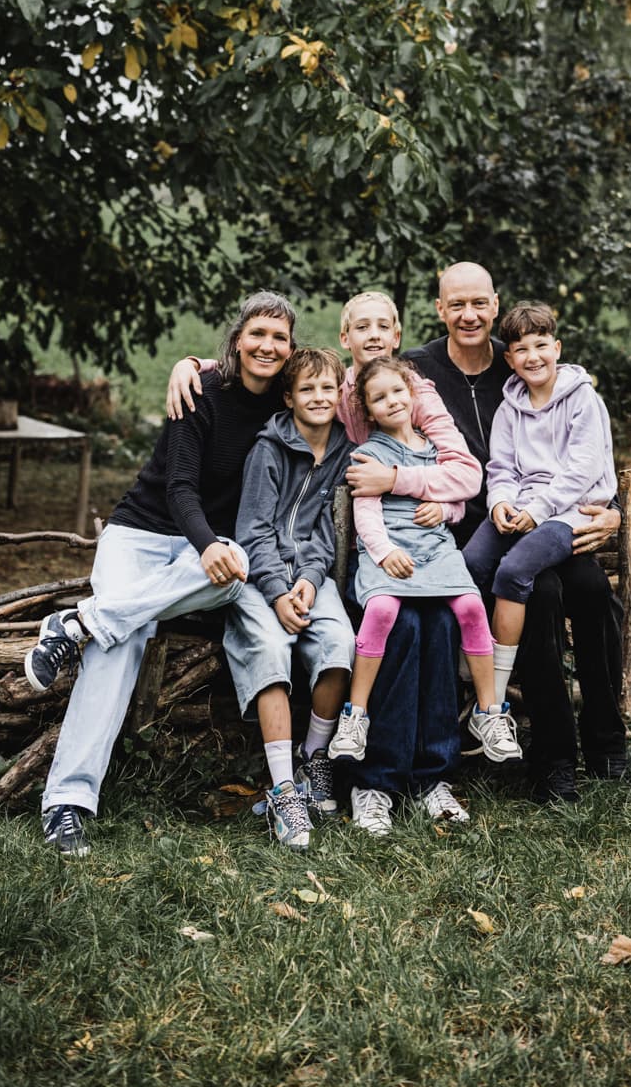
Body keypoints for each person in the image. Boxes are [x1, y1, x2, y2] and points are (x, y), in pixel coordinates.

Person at [166, 289, 488, 836]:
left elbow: (466, 472)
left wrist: (407, 485)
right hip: (364, 558)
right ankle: (368, 781)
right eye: (362, 326)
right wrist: (192, 363)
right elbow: (263, 374)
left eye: (385, 326)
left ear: (398, 336)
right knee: (395, 627)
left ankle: (431, 776)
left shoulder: (415, 391)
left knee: (438, 625)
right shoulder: (330, 392)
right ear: (345, 338)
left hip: (417, 554)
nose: (374, 335)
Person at [25, 292, 296, 856]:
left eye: (280, 337)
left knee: (234, 563)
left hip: (202, 553)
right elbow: (178, 489)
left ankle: (77, 623)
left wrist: (207, 551)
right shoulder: (200, 391)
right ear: (237, 339)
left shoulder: (285, 404)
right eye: (257, 334)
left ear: (290, 349)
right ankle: (67, 803)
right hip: (144, 533)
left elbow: (346, 382)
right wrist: (191, 365)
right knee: (120, 642)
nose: (267, 346)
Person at [403, 263, 627, 801]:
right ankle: (553, 759)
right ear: (440, 309)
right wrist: (203, 366)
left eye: (479, 303)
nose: (469, 314)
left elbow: (585, 461)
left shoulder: (543, 377)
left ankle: (607, 739)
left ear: (495, 305)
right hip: (475, 528)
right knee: (541, 595)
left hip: (552, 516)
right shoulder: (418, 370)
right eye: (456, 304)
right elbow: (345, 383)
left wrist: (613, 509)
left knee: (595, 592)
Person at [327, 357, 521, 777]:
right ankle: (355, 715)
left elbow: (460, 499)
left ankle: (489, 711)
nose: (391, 401)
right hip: (392, 551)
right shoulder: (368, 454)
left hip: (435, 550)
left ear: (413, 395)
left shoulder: (436, 452)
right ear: (367, 409)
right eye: (379, 398)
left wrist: (447, 510)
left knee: (471, 608)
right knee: (381, 611)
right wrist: (381, 553)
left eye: (398, 392)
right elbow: (366, 514)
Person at [223, 347, 356, 849]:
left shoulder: (341, 447)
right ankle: (282, 789)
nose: (319, 397)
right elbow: (253, 531)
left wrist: (312, 578)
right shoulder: (268, 449)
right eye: (307, 389)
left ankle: (313, 758)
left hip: (308, 578)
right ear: (289, 397)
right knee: (272, 651)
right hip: (258, 577)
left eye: (328, 388)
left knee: (342, 644)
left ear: (341, 394)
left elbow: (323, 530)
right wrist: (279, 592)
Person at [462, 302, 618, 717]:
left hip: (571, 511)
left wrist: (539, 508)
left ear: (557, 347)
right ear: (509, 359)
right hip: (523, 506)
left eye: (541, 345)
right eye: (522, 349)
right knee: (470, 563)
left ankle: (491, 697)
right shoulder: (510, 406)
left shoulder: (583, 399)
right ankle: (465, 664)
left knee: (514, 571)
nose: (533, 357)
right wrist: (500, 502)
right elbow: (502, 467)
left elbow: (583, 470)